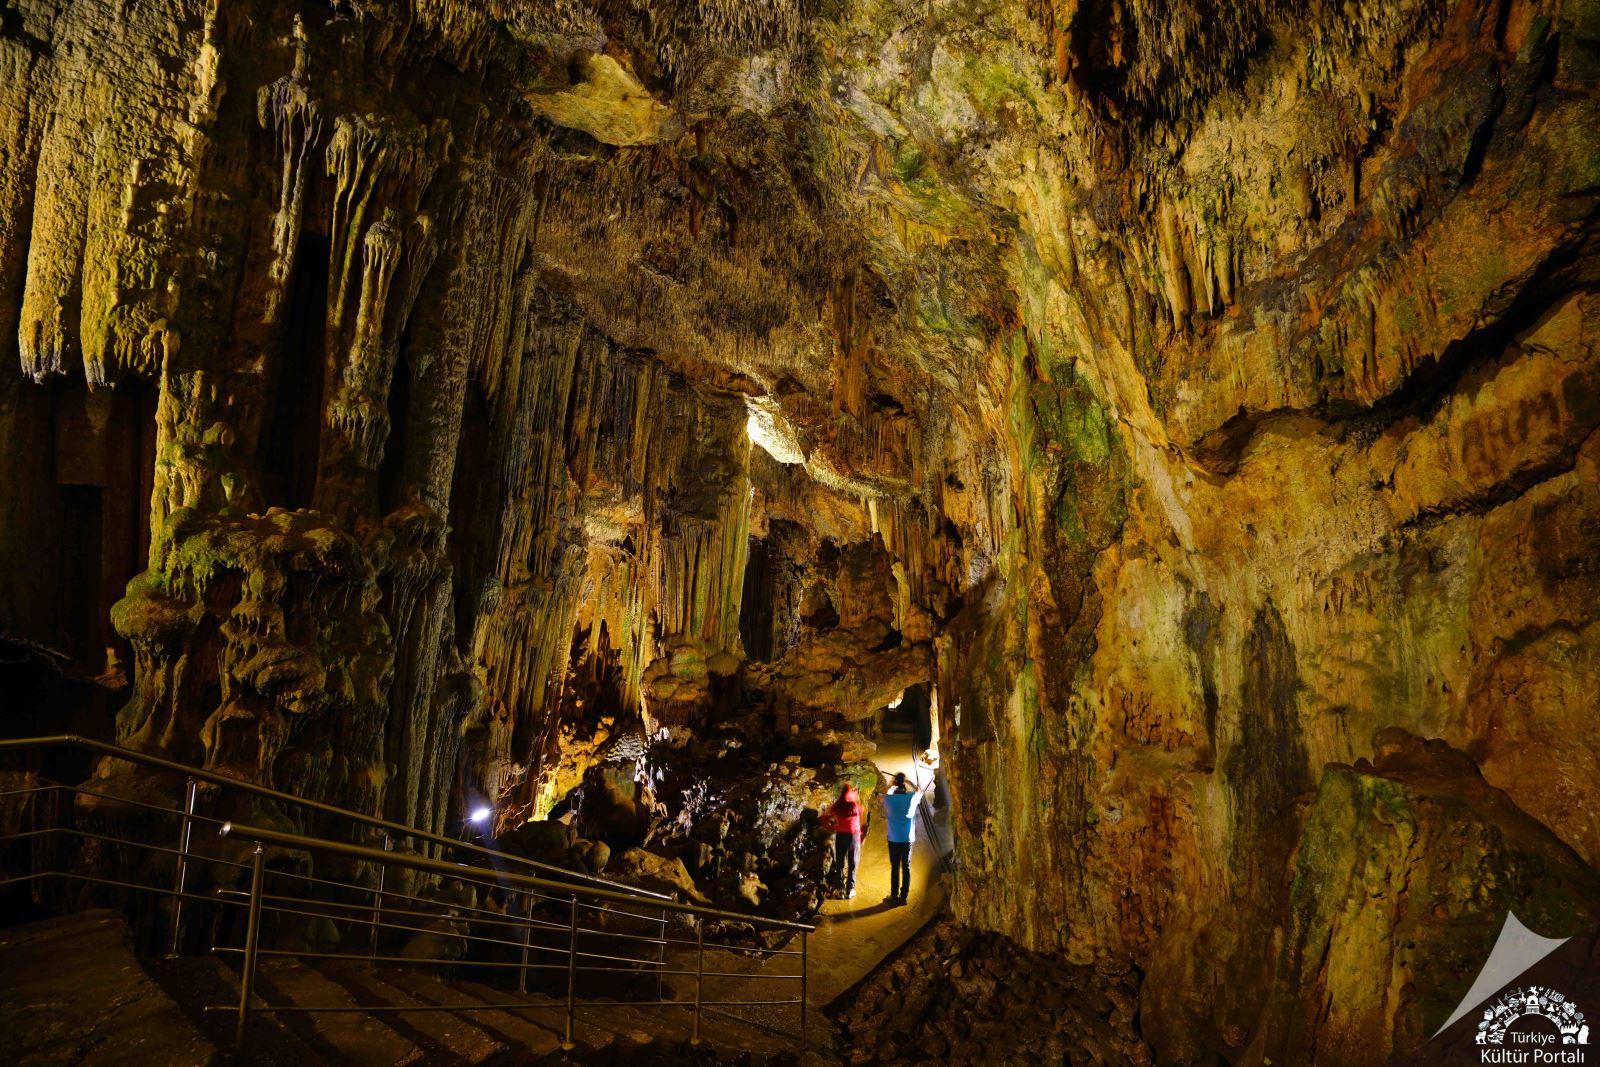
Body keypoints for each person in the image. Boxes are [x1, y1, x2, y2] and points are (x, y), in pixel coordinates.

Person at [881, 771, 923, 905]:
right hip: (907, 839)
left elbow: (883, 795)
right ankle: (903, 897)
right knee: (906, 867)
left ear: (895, 784)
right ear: (904, 785)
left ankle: (893, 895)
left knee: (895, 867)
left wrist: (891, 785)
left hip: (893, 838)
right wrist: (910, 782)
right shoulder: (912, 797)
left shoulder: (889, 799)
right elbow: (920, 791)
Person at [823, 783, 865, 899]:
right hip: (853, 836)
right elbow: (861, 811)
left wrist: (832, 825)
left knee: (840, 862)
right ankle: (850, 889)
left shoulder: (837, 805)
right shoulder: (854, 805)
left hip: (841, 835)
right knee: (852, 862)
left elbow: (827, 815)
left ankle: (840, 889)